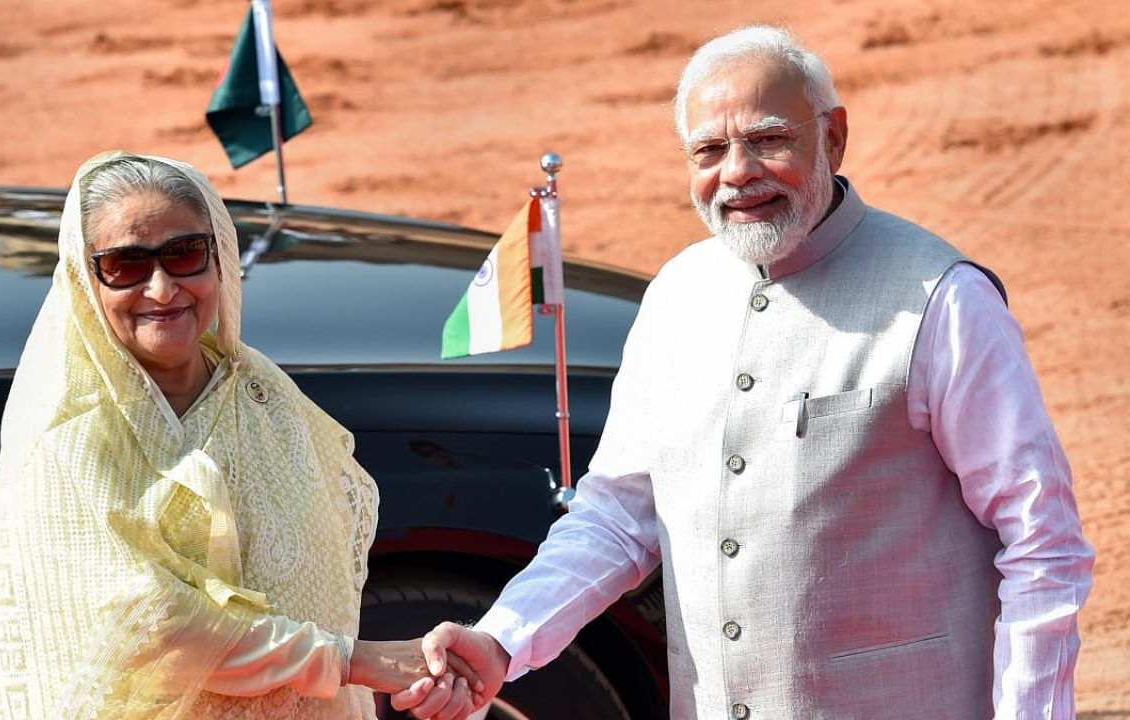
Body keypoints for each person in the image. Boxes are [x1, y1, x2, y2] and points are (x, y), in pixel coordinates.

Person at [393, 24, 1095, 720]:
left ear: (834, 137)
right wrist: (502, 637)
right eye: (709, 149)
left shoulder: (941, 299)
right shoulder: (675, 295)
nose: (737, 172)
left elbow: (1041, 540)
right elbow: (616, 516)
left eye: (768, 140)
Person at [0, 151, 478, 718]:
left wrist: (421, 666)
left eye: (184, 254)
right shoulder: (68, 436)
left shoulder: (258, 387)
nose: (162, 289)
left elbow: (330, 530)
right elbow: (149, 623)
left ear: (220, 259)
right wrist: (354, 661)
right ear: (86, 282)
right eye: (125, 265)